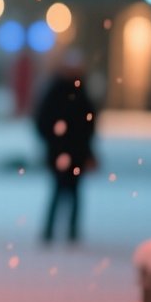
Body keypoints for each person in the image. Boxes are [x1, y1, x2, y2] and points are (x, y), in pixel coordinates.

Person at [33, 51, 97, 244]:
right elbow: (43, 120)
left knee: (72, 192)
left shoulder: (78, 92)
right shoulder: (59, 91)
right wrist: (54, 141)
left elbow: (89, 125)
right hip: (60, 150)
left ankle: (70, 231)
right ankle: (54, 230)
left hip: (73, 151)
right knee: (59, 190)